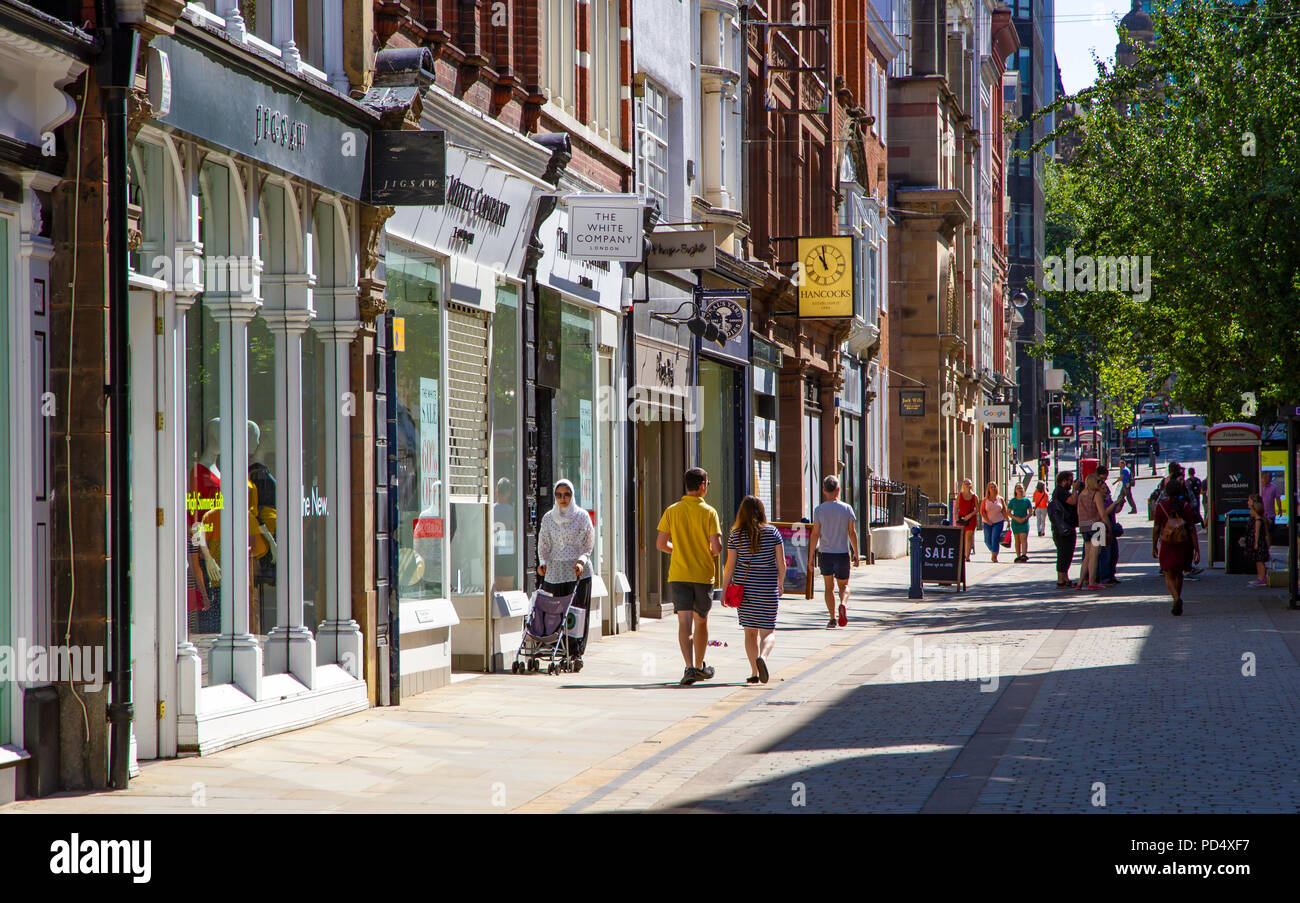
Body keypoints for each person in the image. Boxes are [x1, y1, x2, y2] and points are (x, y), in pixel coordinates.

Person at [657, 468, 724, 685]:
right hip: (703, 575)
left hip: (679, 574)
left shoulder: (672, 510)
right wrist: (708, 552)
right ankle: (699, 665)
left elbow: (660, 544)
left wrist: (677, 549)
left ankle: (688, 668)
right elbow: (717, 547)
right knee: (701, 621)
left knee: (684, 623)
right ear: (703, 485)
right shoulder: (709, 512)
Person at [721, 496, 786, 683]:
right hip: (767, 588)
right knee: (768, 631)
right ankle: (763, 658)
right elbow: (781, 563)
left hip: (745, 590)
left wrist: (724, 590)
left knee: (750, 632)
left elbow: (729, 566)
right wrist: (780, 584)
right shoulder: (773, 532)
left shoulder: (736, 534)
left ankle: (754, 673)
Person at [536, 479, 596, 661]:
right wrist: (543, 562)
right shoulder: (548, 518)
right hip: (555, 573)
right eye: (559, 495)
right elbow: (543, 543)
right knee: (555, 612)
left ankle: (575, 652)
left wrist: (581, 561)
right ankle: (557, 648)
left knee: (576, 613)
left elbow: (588, 544)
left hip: (578, 571)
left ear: (572, 495)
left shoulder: (582, 516)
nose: (563, 499)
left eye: (567, 494)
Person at [809, 475, 860, 628]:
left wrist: (811, 556)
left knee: (828, 587)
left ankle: (832, 618)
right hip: (842, 553)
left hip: (825, 554)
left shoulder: (819, 510)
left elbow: (815, 534)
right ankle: (843, 604)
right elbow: (852, 532)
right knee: (843, 586)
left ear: (824, 490)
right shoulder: (847, 508)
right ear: (838, 490)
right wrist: (856, 553)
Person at [1153, 478, 1198, 615]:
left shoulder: (1161, 507)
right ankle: (1176, 600)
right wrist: (1196, 549)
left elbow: (1156, 528)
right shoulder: (1185, 506)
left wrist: (1154, 545)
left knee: (1169, 574)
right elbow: (1191, 529)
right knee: (1179, 574)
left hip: (1167, 544)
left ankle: (1176, 598)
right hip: (1184, 544)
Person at [1075, 473, 1108, 590]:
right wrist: (1107, 525)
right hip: (1096, 524)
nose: (1100, 483)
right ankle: (1092, 582)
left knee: (1087, 555)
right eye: (1098, 481)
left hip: (1084, 525)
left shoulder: (1081, 495)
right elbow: (1102, 513)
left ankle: (1079, 582)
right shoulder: (1096, 494)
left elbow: (1079, 511)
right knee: (1094, 555)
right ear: (1093, 483)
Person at [1048, 471, 1079, 587]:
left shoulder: (1062, 491)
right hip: (1062, 528)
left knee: (1067, 553)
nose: (1071, 483)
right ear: (1064, 480)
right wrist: (1075, 490)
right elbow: (1073, 501)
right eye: (1070, 481)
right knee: (1063, 553)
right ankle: (1060, 579)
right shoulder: (1060, 491)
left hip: (1066, 527)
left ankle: (1065, 577)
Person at [1094, 464, 1123, 585]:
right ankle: (1103, 577)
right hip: (1101, 527)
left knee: (1113, 553)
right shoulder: (1095, 494)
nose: (1105, 484)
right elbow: (1103, 513)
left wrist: (1119, 503)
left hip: (1110, 525)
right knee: (1104, 554)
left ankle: (1110, 575)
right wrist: (1114, 503)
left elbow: (1114, 510)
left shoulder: (1105, 493)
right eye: (1102, 479)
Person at [1244, 493, 1270, 588]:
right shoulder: (1255, 516)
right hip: (1256, 541)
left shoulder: (1258, 518)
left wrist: (1256, 543)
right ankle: (1260, 577)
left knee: (1260, 560)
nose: (1247, 502)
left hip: (1258, 542)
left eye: (1249, 501)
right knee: (1258, 560)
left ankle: (1262, 578)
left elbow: (1258, 532)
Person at [979, 482, 1007, 563]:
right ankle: (993, 551)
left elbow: (1004, 510)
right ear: (988, 489)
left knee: (995, 538)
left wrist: (1008, 520)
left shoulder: (1000, 499)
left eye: (994, 486)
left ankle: (994, 556)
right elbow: (982, 511)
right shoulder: (985, 500)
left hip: (998, 522)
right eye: (991, 487)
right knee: (987, 540)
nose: (993, 488)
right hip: (987, 523)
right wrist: (987, 520)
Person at [1007, 483, 1033, 562]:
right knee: (1017, 540)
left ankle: (1024, 555)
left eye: (1021, 488)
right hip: (1015, 523)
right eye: (1018, 488)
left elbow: (1031, 512)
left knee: (1024, 538)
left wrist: (1025, 518)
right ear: (1015, 490)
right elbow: (1008, 512)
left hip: (1024, 522)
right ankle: (1018, 556)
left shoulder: (1027, 500)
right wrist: (1016, 518)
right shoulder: (1012, 501)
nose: (1020, 490)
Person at [955, 479, 979, 562]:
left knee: (968, 536)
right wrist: (956, 516)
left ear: (971, 485)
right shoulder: (960, 495)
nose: (967, 485)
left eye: (969, 484)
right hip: (961, 518)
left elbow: (977, 509)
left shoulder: (974, 496)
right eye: (966, 484)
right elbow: (956, 507)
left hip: (971, 519)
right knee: (962, 536)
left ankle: (967, 556)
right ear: (963, 485)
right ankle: (962, 553)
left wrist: (970, 515)